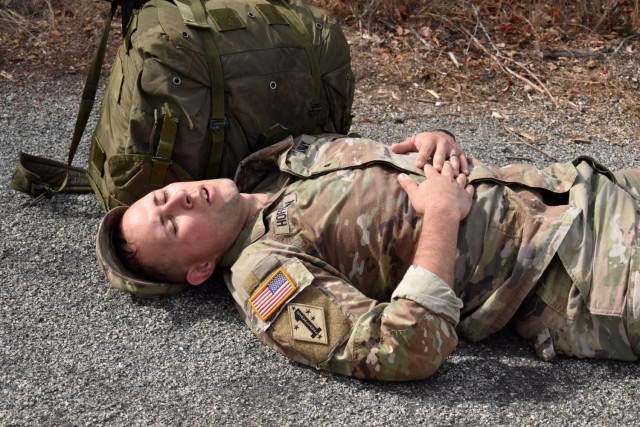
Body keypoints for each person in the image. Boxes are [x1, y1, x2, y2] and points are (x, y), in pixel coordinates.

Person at [96, 130, 640, 381]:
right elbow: (397, 349)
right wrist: (443, 216)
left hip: (587, 192)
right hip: (583, 275)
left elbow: (392, 173)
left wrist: (437, 141)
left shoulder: (279, 160)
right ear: (198, 270)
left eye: (161, 197)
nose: (181, 199)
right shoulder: (265, 273)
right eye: (172, 225)